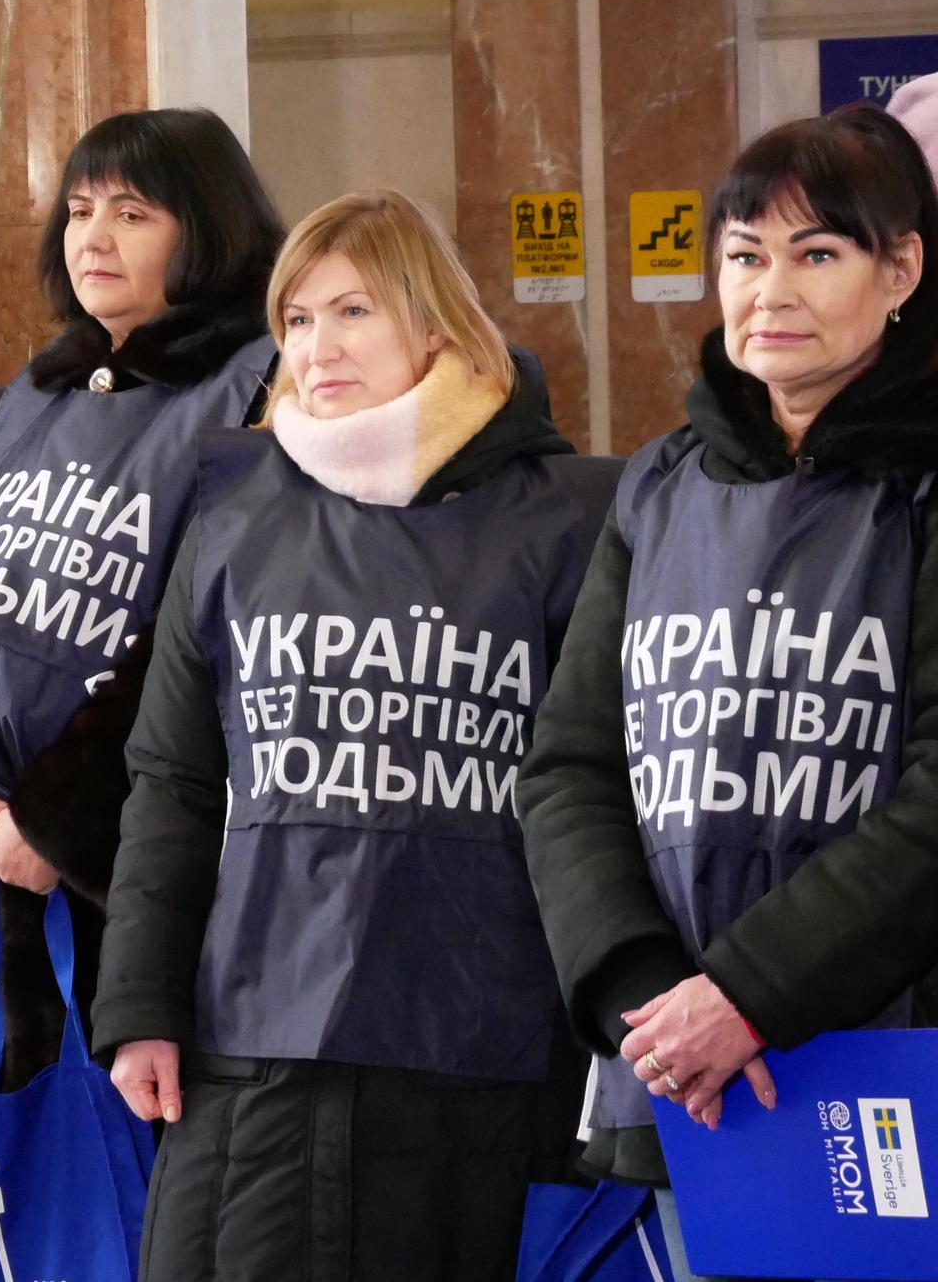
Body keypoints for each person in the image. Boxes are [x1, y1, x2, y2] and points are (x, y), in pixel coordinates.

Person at [89, 190, 615, 1281]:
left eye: (353, 311)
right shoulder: (233, 512)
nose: (317, 347)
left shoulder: (568, 515)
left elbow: (595, 785)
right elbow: (172, 779)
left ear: (432, 323)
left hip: (472, 1047)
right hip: (251, 1040)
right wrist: (138, 1004)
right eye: (296, 318)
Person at [519, 105, 938, 1280]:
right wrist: (646, 994)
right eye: (745, 254)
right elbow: (568, 768)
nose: (771, 289)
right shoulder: (658, 485)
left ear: (899, 269)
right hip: (680, 1067)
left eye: (817, 253)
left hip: (883, 1045)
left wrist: (746, 993)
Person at [0, 107, 286, 1086]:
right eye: (77, 210)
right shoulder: (44, 387)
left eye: (132, 213)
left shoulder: (259, 386)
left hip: (134, 875)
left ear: (206, 229)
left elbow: (199, 637)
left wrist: (56, 820)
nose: (93, 238)